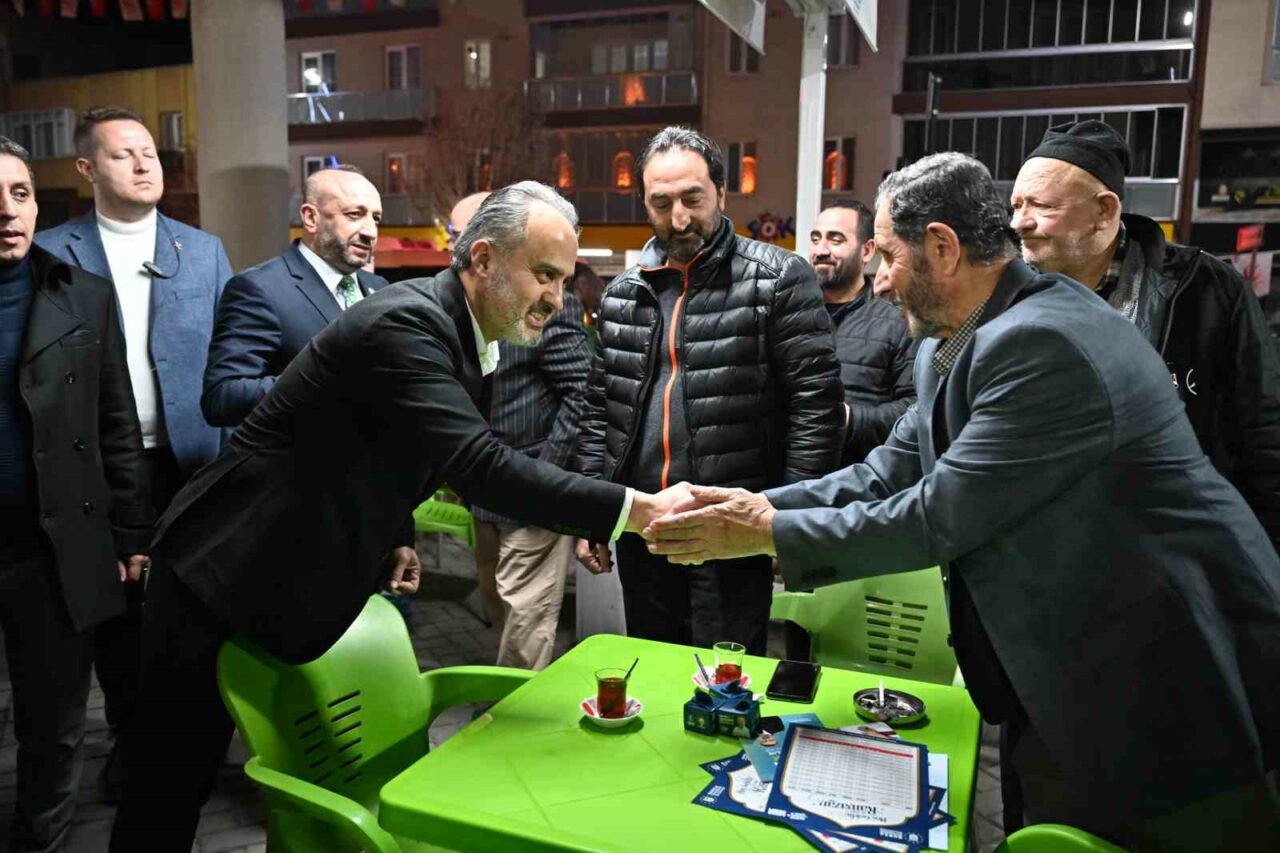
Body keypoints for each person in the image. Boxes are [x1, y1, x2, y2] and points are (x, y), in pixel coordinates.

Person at [644, 153, 1280, 852]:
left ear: (942, 248)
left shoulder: (1044, 341)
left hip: (1167, 677)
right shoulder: (952, 340)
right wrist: (752, 503)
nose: (878, 279)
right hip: (1061, 669)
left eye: (888, 255)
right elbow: (887, 473)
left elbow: (936, 515)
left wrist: (764, 533)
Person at [108, 182, 691, 851]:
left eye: (563, 279)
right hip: (220, 567)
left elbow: (388, 444)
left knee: (287, 784)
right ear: (482, 260)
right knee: (168, 787)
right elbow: (478, 464)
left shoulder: (459, 329)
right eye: (544, 275)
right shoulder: (406, 323)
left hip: (285, 576)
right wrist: (634, 509)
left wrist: (395, 536)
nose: (557, 300)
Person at [576, 126, 844, 655]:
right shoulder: (622, 294)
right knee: (652, 664)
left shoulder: (778, 278)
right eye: (661, 203)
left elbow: (815, 407)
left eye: (692, 199)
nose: (679, 218)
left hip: (732, 528)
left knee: (726, 678)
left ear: (721, 192)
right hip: (645, 525)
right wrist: (591, 510)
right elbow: (600, 410)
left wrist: (788, 520)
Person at [34, 105, 233, 800]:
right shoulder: (52, 253)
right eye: (124, 154)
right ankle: (131, 744)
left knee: (195, 608)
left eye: (149, 151)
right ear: (87, 168)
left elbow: (231, 355)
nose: (145, 163)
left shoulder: (200, 250)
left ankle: (195, 743)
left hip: (191, 459)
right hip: (96, 465)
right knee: (116, 616)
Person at [1011, 119, 1280, 555]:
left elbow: (1262, 432)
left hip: (1170, 548)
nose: (1019, 222)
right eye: (1016, 205)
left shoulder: (1207, 289)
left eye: (1040, 205)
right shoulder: (1005, 293)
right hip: (1044, 550)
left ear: (1104, 210)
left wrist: (1263, 557)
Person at [0, 137, 152, 851]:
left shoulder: (81, 293)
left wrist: (132, 533)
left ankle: (40, 842)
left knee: (54, 722)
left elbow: (116, 422)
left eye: (20, 194)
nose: (8, 211)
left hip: (54, 545)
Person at [448, 192, 596, 669]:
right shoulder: (463, 307)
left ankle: (517, 711)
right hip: (484, 489)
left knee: (525, 621)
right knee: (497, 605)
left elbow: (582, 393)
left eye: (462, 235)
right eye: (453, 236)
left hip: (532, 489)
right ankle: (506, 697)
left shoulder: (548, 306)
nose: (456, 248)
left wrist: (541, 476)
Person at [201, 164, 389, 427]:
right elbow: (222, 398)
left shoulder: (380, 288)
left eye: (376, 218)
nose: (370, 231)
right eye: (354, 214)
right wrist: (327, 380)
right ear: (311, 218)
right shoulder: (259, 289)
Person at [809, 200, 917, 463]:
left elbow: (915, 409)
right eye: (816, 239)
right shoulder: (792, 314)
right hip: (794, 475)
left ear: (867, 250)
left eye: (835, 240)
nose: (821, 250)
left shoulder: (899, 322)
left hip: (862, 475)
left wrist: (849, 419)